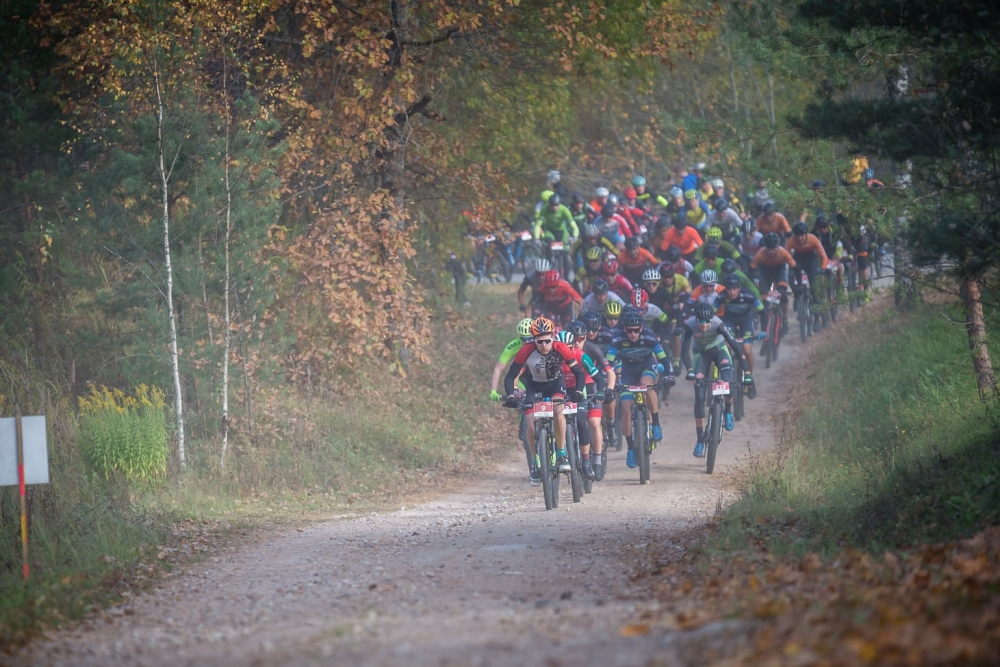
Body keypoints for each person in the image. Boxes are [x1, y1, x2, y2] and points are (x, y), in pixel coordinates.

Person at [504, 318, 586, 481]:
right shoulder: (526, 350)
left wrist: (577, 390)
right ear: (534, 340)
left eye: (547, 341)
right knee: (529, 421)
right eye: (539, 341)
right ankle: (535, 460)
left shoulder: (561, 348)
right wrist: (511, 395)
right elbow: (510, 376)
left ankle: (562, 453)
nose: (543, 345)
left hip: (555, 384)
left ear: (553, 338)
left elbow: (578, 373)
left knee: (558, 410)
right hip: (533, 385)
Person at [605, 306, 673, 468]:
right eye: (629, 330)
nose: (633, 334)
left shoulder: (649, 337)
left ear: (641, 328)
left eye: (636, 330)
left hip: (646, 367)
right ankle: (630, 449)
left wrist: (670, 375)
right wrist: (607, 381)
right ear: (624, 329)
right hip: (628, 371)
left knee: (647, 385)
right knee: (626, 408)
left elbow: (664, 359)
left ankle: (655, 423)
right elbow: (608, 363)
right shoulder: (617, 339)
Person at [680, 302, 750, 457]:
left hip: (719, 351)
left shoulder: (719, 324)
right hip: (701, 355)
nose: (704, 325)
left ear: (712, 319)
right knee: (699, 396)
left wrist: (748, 373)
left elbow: (737, 348)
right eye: (701, 322)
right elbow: (684, 351)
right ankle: (699, 441)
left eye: (708, 322)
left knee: (730, 384)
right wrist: (690, 371)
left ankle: (727, 411)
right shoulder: (689, 325)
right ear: (696, 319)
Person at [713, 274, 762, 398]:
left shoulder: (748, 295)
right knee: (727, 347)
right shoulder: (722, 295)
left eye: (734, 289)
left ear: (739, 288)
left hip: (746, 321)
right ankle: (726, 373)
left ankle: (749, 378)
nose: (731, 292)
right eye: (729, 289)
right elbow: (711, 313)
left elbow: (763, 310)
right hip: (729, 321)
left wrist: (765, 329)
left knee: (747, 350)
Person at [751, 232, 796, 322]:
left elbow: (795, 268)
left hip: (780, 270)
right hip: (765, 271)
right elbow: (751, 270)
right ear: (765, 247)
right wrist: (753, 282)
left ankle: (785, 318)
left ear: (778, 247)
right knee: (763, 294)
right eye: (769, 249)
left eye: (773, 249)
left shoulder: (783, 252)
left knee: (782, 294)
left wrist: (795, 281)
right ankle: (764, 316)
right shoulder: (760, 254)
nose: (771, 252)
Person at [786, 221, 829, 313]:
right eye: (798, 235)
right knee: (790, 277)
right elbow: (786, 256)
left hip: (811, 259)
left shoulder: (813, 239)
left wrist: (823, 268)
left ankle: (815, 301)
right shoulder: (790, 241)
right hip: (798, 259)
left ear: (806, 234)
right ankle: (797, 295)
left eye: (802, 235)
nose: (800, 238)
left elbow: (824, 257)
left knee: (813, 282)